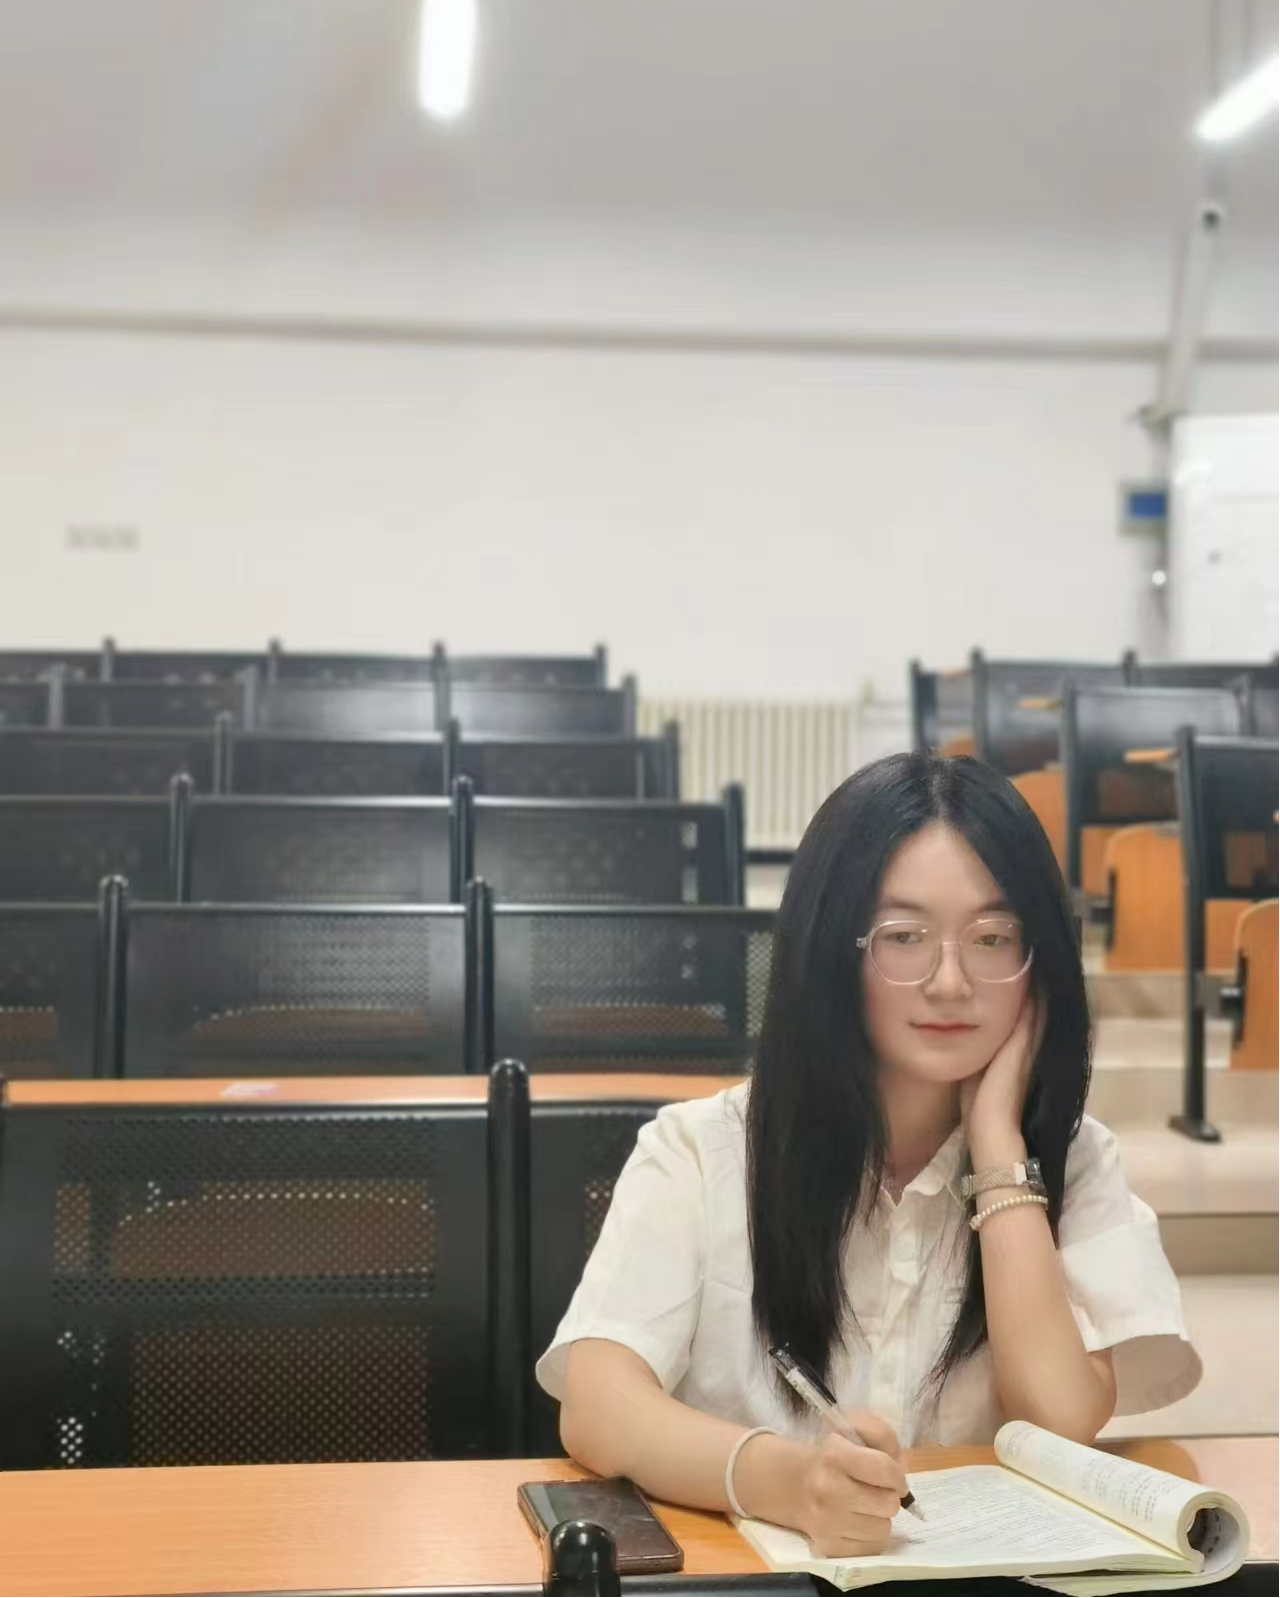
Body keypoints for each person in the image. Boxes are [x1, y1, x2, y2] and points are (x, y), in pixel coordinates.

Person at [536, 751, 1200, 1559]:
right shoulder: (702, 1150)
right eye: (904, 937)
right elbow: (597, 1404)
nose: (951, 981)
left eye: (994, 938)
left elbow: (1059, 1421)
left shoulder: (1077, 1160)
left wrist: (997, 1147)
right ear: (832, 949)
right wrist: (787, 1482)